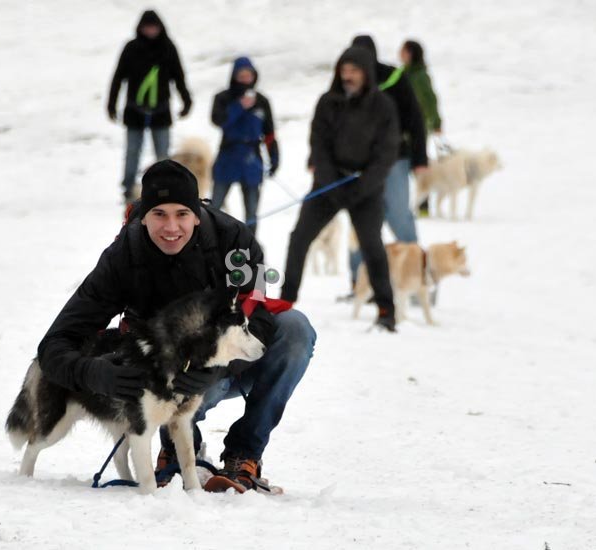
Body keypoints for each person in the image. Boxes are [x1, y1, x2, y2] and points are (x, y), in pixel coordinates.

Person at [37, 160, 316, 492]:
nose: (171, 227)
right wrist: (95, 374)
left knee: (295, 329)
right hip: (164, 378)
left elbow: (257, 319)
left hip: (225, 365)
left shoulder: (234, 240)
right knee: (188, 381)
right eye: (159, 215)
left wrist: (216, 368)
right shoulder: (123, 257)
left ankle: (245, 455)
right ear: (144, 216)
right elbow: (54, 344)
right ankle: (175, 453)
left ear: (197, 213)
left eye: (181, 214)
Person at [281, 46, 400, 332]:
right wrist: (330, 181)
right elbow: (318, 144)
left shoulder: (382, 105)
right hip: (329, 184)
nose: (348, 76)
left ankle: (386, 309)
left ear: (366, 73)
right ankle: (285, 302)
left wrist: (362, 186)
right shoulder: (327, 101)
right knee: (299, 238)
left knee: (372, 245)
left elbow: (386, 153)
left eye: (354, 71)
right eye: (344, 70)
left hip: (365, 189)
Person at [347, 35, 428, 291]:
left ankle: (417, 282)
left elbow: (416, 118)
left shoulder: (394, 78)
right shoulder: (348, 83)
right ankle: (359, 286)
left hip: (395, 160)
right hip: (360, 164)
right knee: (362, 221)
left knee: (399, 216)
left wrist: (420, 158)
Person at [107, 10, 192, 203]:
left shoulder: (168, 48)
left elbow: (178, 76)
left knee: (163, 154)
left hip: (161, 110)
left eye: (154, 27)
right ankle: (128, 189)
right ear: (140, 28)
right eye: (147, 27)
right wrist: (112, 103)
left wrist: (186, 100)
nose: (150, 31)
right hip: (134, 110)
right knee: (132, 152)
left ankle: (164, 187)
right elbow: (118, 77)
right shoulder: (131, 48)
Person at [210, 57, 279, 235]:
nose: (245, 79)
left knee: (251, 212)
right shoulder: (223, 98)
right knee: (214, 207)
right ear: (234, 76)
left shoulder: (262, 101)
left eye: (249, 75)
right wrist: (239, 107)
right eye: (241, 75)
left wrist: (274, 157)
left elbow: (269, 132)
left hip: (251, 159)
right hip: (228, 155)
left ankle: (250, 247)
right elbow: (219, 120)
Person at [401, 39, 443, 217]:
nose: (400, 54)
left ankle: (423, 205)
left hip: (416, 128)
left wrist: (436, 123)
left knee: (417, 164)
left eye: (403, 51)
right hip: (402, 127)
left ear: (410, 53)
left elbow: (431, 100)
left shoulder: (419, 76)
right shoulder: (404, 74)